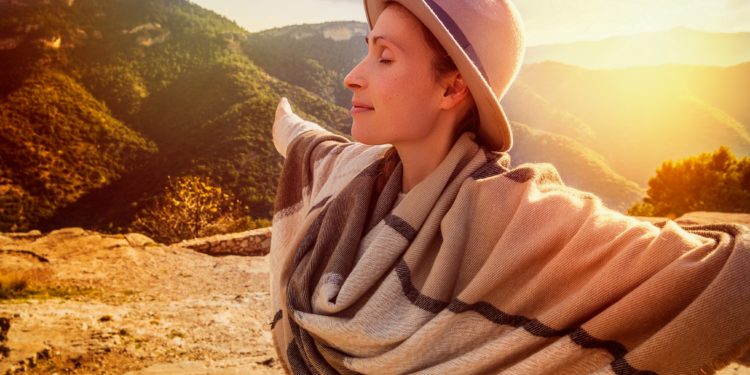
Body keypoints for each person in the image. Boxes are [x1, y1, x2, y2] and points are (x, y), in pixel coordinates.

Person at [268, 0, 750, 374]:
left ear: (453, 89)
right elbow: (306, 140)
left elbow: (721, 277)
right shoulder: (353, 177)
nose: (353, 77)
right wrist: (287, 124)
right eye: (365, 51)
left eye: (384, 58)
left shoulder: (524, 219)